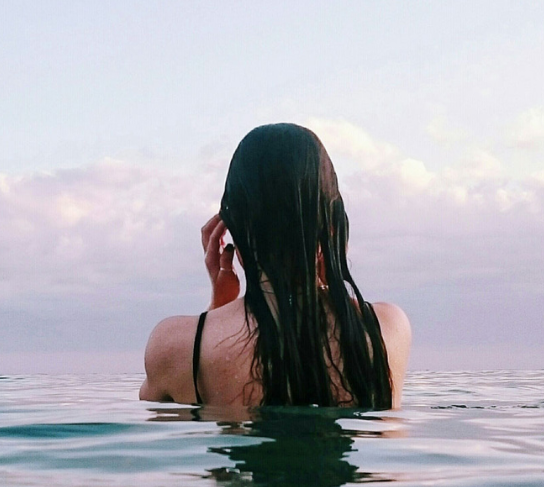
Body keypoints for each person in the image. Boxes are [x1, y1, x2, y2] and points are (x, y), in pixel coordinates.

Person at [139, 123, 411, 410]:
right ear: (332, 228)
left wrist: (218, 308)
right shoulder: (386, 329)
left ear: (232, 231)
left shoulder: (176, 345)